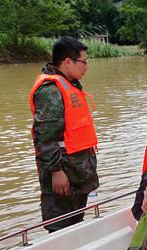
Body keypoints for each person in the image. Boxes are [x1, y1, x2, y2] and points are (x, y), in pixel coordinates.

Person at [29, 37, 98, 233]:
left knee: (75, 226)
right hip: (63, 177)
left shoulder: (69, 84)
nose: (87, 67)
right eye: (84, 62)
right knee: (60, 229)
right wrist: (56, 171)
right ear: (68, 62)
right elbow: (44, 136)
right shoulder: (50, 91)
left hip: (77, 174)